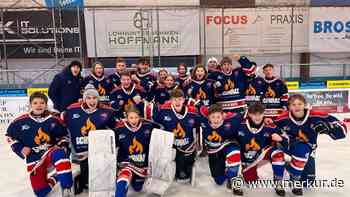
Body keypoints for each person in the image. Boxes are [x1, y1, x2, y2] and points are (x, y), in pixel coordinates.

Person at [274, 94, 347, 195]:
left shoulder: (317, 115)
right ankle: (292, 174)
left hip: (308, 150)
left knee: (307, 182)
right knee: (298, 148)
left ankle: (290, 166)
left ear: (305, 105)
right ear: (289, 107)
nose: (297, 106)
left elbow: (342, 129)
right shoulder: (282, 118)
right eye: (293, 104)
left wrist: (328, 129)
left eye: (300, 104)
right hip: (288, 147)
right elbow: (270, 130)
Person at [6, 92, 73, 197]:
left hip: (50, 154)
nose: (39, 105)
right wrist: (20, 148)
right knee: (41, 192)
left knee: (59, 154)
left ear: (46, 105)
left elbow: (64, 136)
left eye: (42, 103)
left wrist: (63, 146)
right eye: (35, 103)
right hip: (34, 159)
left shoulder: (54, 120)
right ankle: (56, 177)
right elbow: (9, 136)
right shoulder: (20, 121)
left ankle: (67, 188)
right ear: (30, 105)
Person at [61, 84, 116, 194]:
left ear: (98, 98)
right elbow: (60, 123)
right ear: (84, 99)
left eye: (95, 98)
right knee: (86, 180)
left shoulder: (107, 111)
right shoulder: (72, 110)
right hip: (80, 151)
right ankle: (80, 179)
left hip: (99, 150)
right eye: (89, 98)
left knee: (100, 177)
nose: (92, 100)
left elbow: (114, 127)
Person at [238, 103, 287, 196]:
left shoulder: (270, 126)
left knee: (278, 154)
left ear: (263, 114)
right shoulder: (240, 124)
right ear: (249, 114)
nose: (257, 117)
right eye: (254, 114)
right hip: (248, 160)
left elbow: (286, 141)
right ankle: (240, 174)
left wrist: (281, 139)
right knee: (251, 182)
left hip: (263, 154)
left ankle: (278, 182)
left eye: (260, 114)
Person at [154, 89, 200, 183]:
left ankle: (186, 166)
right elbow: (156, 125)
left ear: (184, 100)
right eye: (175, 99)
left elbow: (199, 128)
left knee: (184, 175)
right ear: (171, 100)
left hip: (187, 146)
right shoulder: (163, 110)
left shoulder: (193, 112)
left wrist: (198, 145)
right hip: (170, 146)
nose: (177, 101)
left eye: (180, 99)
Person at [114, 105, 160, 197]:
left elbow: (161, 129)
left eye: (136, 117)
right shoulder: (119, 129)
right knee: (122, 181)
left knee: (137, 188)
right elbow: (111, 147)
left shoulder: (148, 126)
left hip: (142, 166)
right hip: (126, 163)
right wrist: (115, 167)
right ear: (126, 118)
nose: (134, 120)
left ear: (140, 117)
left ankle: (134, 180)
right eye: (131, 117)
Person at [199, 104, 242, 195]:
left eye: (218, 117)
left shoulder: (231, 121)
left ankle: (234, 179)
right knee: (219, 181)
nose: (216, 120)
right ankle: (227, 172)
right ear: (208, 117)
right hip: (214, 151)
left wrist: (228, 114)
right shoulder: (203, 120)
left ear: (222, 116)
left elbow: (241, 115)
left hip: (228, 145)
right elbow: (201, 108)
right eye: (213, 117)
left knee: (234, 153)